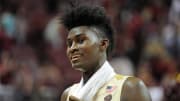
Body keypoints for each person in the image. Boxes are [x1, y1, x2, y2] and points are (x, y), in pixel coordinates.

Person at [60, 4, 151, 101]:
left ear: (103, 44)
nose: (72, 48)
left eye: (81, 41)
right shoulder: (68, 94)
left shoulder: (131, 88)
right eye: (69, 43)